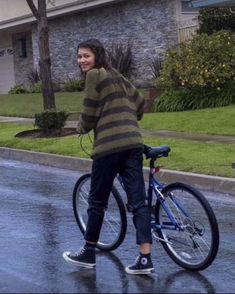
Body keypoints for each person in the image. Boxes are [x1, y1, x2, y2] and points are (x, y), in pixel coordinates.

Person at [63, 38, 154, 275]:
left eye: (86, 56)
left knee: (97, 202)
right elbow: (141, 102)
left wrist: (81, 127)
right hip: (134, 143)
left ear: (97, 57)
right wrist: (127, 118)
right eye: (80, 56)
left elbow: (89, 112)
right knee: (138, 202)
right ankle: (145, 259)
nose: (82, 60)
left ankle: (88, 252)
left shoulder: (95, 75)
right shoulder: (118, 76)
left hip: (109, 148)